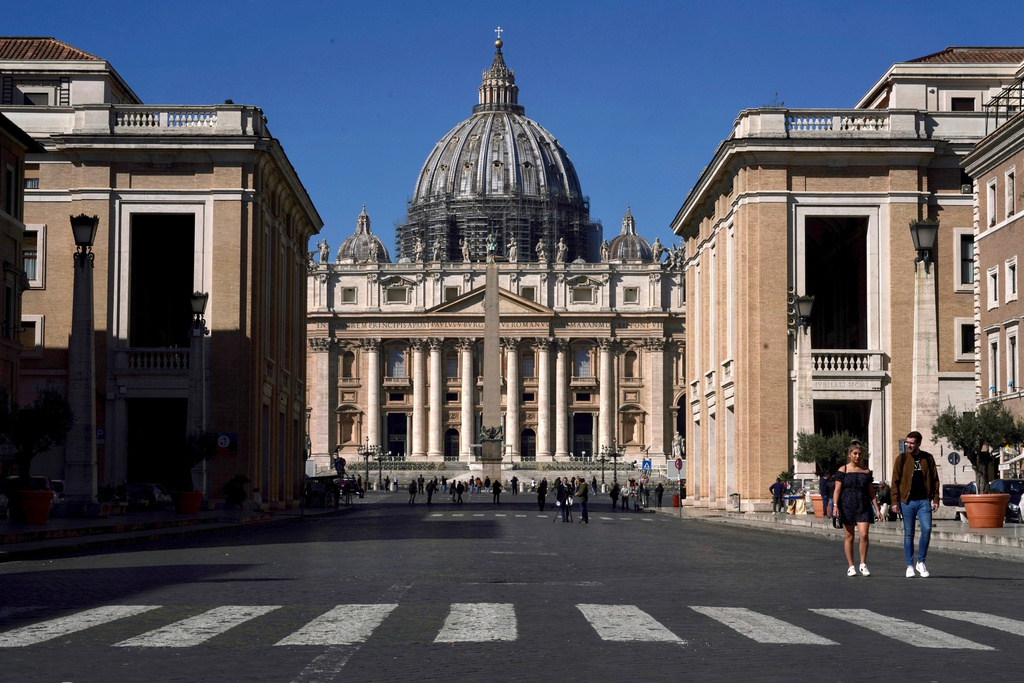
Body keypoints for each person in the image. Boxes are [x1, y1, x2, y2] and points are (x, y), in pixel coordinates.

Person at [892, 430, 940, 578]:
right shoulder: (902, 459)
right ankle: (909, 566)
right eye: (907, 442)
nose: (909, 445)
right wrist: (894, 501)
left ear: (919, 443)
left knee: (926, 529)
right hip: (907, 501)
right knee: (909, 534)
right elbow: (895, 481)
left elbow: (935, 479)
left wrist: (936, 499)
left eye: (912, 443)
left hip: (924, 501)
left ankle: (921, 562)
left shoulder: (928, 458)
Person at [832, 442, 880, 577]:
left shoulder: (866, 471)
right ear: (849, 455)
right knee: (849, 536)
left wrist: (877, 509)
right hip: (847, 505)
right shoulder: (843, 470)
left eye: (860, 454)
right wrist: (835, 506)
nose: (857, 456)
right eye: (855, 453)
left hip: (863, 504)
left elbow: (871, 492)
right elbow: (837, 490)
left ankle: (863, 564)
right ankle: (851, 566)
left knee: (864, 534)